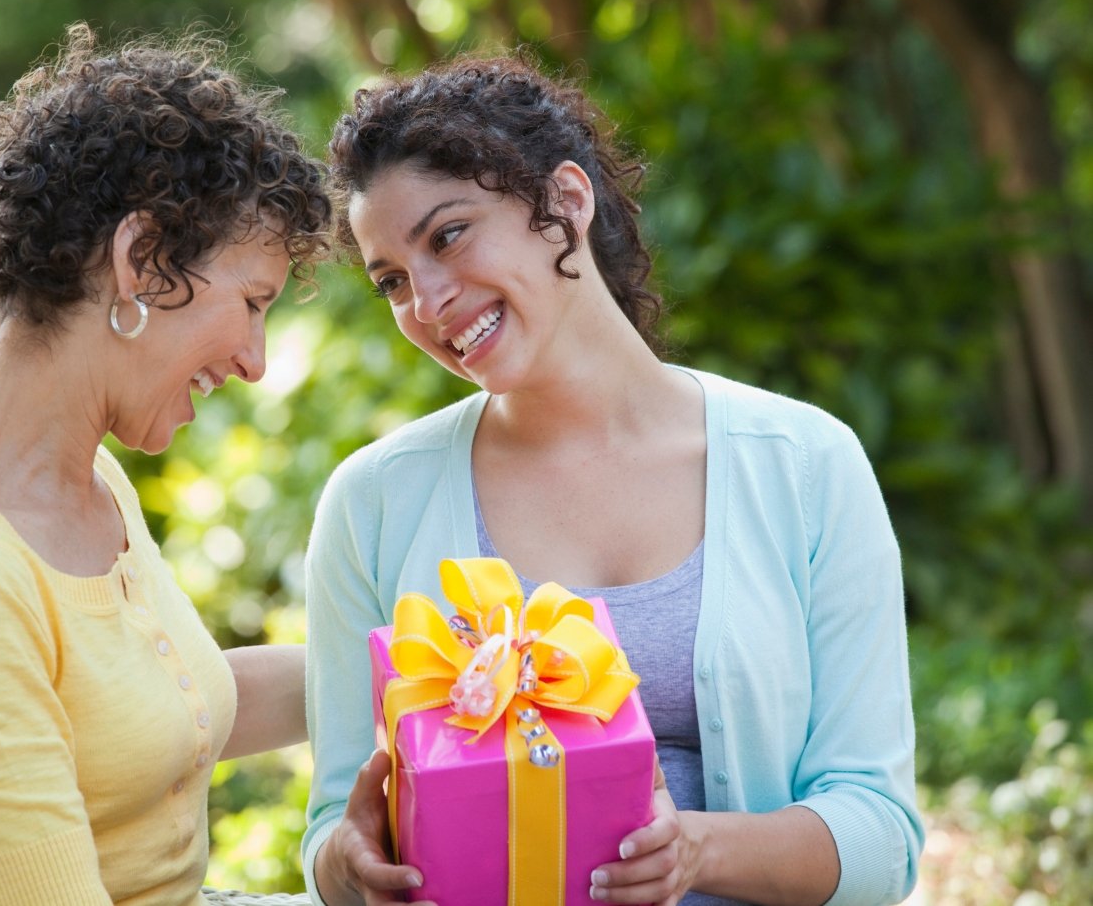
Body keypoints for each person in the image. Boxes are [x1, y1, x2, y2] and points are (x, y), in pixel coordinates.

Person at [301, 54, 924, 906]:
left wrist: (694, 851)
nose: (428, 301)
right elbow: (333, 828)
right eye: (392, 282)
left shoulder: (807, 465)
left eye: (448, 236)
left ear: (566, 200)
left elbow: (883, 841)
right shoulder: (373, 503)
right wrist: (349, 864)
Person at [0, 23, 332, 905]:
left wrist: (414, 665)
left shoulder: (88, 481)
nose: (254, 359)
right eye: (250, 302)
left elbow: (168, 716)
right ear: (140, 260)